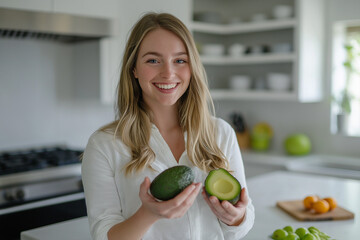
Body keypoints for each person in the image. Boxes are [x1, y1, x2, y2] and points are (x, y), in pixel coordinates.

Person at [81, 12, 255, 240]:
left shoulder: (221, 133)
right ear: (134, 68)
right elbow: (103, 235)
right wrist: (149, 213)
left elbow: (243, 221)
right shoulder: (104, 145)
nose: (168, 73)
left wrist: (236, 216)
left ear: (192, 68)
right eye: (153, 60)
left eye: (180, 60)